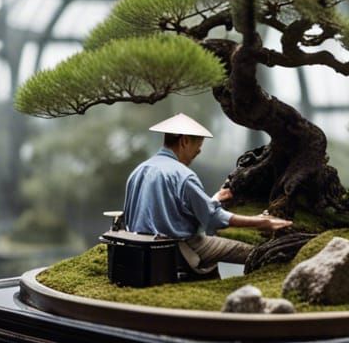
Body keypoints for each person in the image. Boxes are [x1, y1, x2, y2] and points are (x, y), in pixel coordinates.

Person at [122, 113, 292, 271]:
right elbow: (213, 219)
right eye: (199, 145)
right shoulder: (183, 176)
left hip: (141, 249)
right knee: (256, 252)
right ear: (185, 141)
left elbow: (173, 211)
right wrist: (260, 222)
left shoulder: (139, 171)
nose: (199, 151)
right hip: (178, 249)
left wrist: (216, 199)